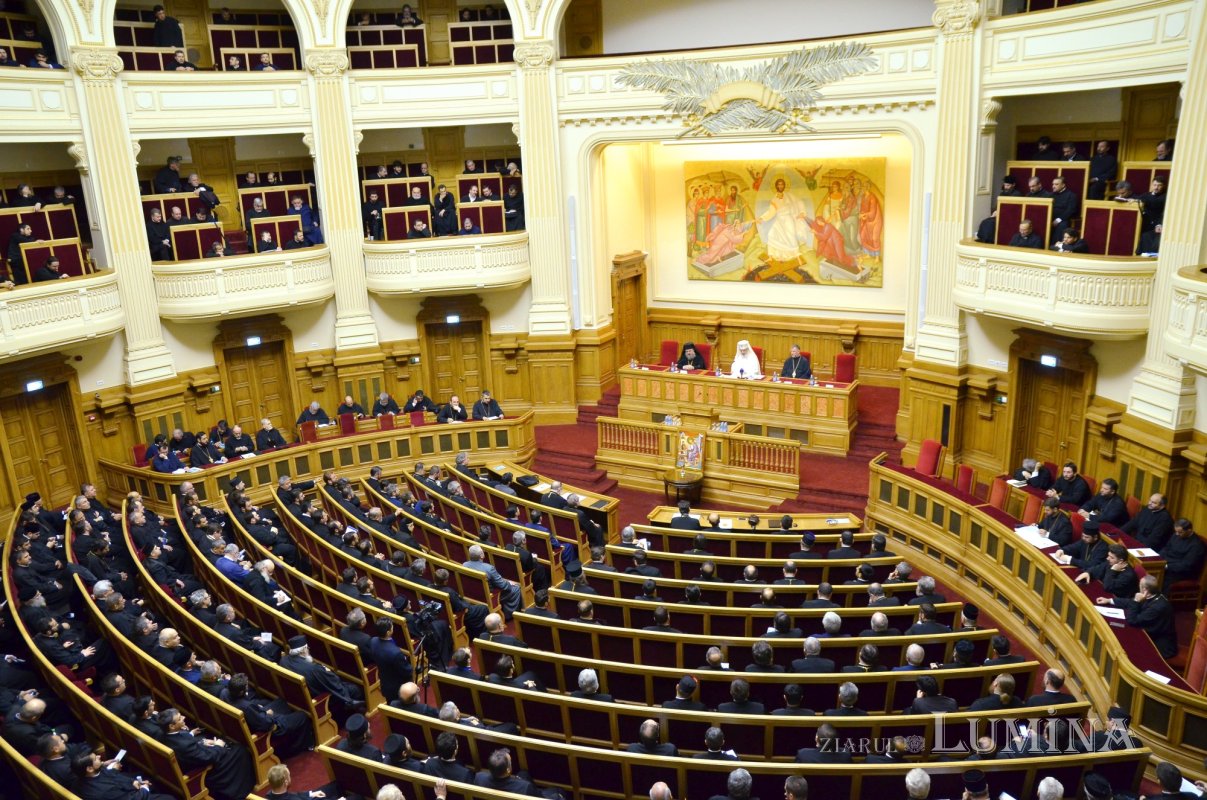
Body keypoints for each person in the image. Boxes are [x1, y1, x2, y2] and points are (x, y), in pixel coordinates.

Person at [1158, 518, 1206, 591]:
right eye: (1176, 531)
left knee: (1160, 579)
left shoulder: (1196, 545)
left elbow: (1186, 565)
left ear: (1189, 531)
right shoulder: (1176, 535)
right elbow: (1166, 548)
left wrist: (1167, 566)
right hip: (1166, 563)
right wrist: (1158, 557)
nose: (1177, 534)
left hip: (1181, 572)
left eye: (1180, 532)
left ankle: (1160, 599)